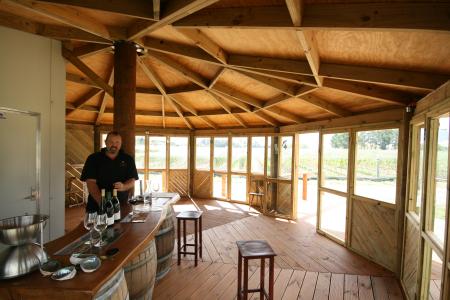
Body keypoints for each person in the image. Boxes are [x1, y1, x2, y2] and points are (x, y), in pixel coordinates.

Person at [81, 131, 138, 213]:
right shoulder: (93, 158)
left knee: (123, 226)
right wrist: (102, 202)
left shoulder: (128, 159)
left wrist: (124, 186)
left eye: (117, 142)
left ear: (121, 143)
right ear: (105, 142)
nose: (114, 145)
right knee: (96, 226)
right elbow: (90, 182)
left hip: (122, 205)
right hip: (96, 205)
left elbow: (132, 180)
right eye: (111, 142)